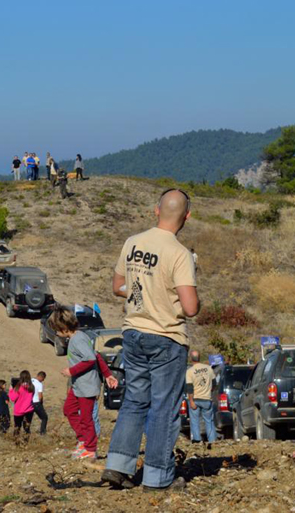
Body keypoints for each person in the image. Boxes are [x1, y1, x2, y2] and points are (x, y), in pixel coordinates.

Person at [102, 188, 199, 492]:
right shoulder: (179, 253)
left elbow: (118, 285)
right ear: (187, 216)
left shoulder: (133, 243)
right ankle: (157, 477)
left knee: (134, 400)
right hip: (166, 336)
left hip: (133, 331)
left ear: (156, 210)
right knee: (163, 406)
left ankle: (117, 466)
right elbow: (191, 307)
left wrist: (137, 294)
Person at [50, 308, 118, 459]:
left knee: (87, 418)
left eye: (56, 330)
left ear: (63, 327)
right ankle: (83, 439)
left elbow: (90, 359)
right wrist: (108, 375)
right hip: (78, 386)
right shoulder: (79, 336)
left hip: (87, 386)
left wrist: (71, 371)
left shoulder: (78, 339)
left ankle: (91, 449)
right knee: (69, 409)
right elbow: (96, 355)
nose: (56, 333)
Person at [186, 350, 217, 443]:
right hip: (207, 399)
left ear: (191, 358)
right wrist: (209, 391)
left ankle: (197, 441)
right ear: (199, 358)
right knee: (209, 421)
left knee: (195, 422)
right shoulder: (209, 369)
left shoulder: (190, 371)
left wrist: (191, 401)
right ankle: (212, 442)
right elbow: (214, 383)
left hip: (195, 399)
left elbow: (189, 388)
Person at [8, 370, 35, 437]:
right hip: (29, 410)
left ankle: (17, 444)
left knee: (17, 428)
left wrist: (11, 390)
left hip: (19, 411)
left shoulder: (18, 387)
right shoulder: (32, 387)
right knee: (27, 428)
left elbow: (12, 398)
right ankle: (26, 444)